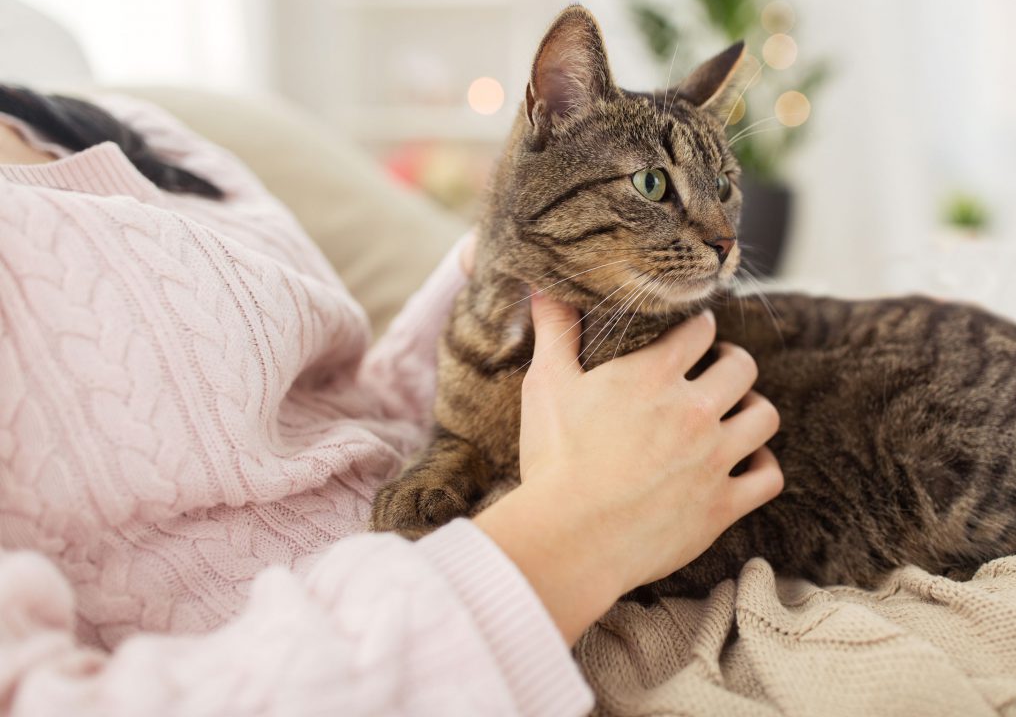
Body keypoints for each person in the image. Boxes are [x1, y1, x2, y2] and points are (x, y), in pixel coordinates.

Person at [0, 86, 782, 715]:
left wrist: (503, 287)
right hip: (515, 628)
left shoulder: (134, 127)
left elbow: (334, 406)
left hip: (572, 531)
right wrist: (571, 533)